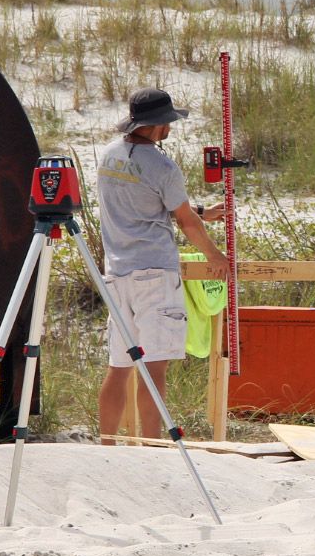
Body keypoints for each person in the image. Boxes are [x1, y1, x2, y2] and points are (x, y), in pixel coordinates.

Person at [95, 86, 230, 442]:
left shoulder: (108, 156)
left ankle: (105, 446)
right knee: (154, 370)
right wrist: (215, 256)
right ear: (158, 126)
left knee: (119, 367)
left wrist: (201, 212)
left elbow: (143, 203)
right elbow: (184, 222)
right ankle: (152, 450)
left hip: (117, 273)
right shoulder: (164, 167)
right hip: (154, 273)